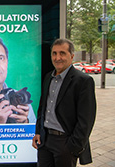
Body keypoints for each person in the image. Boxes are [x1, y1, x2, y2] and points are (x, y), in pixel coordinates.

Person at [32, 38, 96, 167]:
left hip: (65, 143)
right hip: (45, 141)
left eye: (62, 53)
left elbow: (86, 119)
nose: (57, 58)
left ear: (71, 56)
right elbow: (43, 107)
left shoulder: (83, 81)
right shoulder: (48, 77)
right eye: (54, 53)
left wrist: (73, 145)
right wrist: (38, 132)